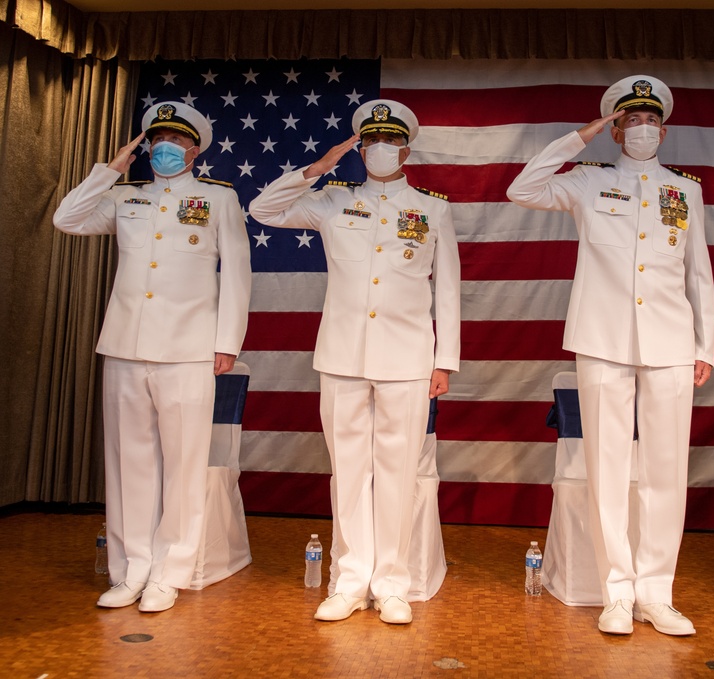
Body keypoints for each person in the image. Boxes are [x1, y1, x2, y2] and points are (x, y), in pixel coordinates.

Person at [507, 76, 714, 636]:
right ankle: (617, 592)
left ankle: (658, 592)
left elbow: (699, 271)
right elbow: (522, 189)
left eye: (651, 121)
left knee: (667, 472)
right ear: (616, 130)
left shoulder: (685, 191)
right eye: (631, 121)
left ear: (664, 131)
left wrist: (705, 344)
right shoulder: (586, 182)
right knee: (607, 469)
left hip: (671, 341)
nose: (643, 129)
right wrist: (580, 137)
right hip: (602, 340)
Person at [249, 99, 460, 625]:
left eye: (390, 142)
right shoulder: (331, 200)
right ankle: (349, 579)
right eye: (371, 142)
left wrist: (445, 360)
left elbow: (450, 290)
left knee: (397, 473)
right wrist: (316, 169)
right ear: (360, 149)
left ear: (407, 148)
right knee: (348, 472)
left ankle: (391, 582)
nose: (381, 150)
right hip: (343, 354)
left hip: (409, 358)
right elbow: (263, 210)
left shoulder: (432, 208)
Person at [53, 101, 251, 612]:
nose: (164, 148)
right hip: (124, 345)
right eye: (156, 139)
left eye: (175, 140)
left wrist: (227, 343)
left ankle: (170, 571)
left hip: (188, 351)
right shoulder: (126, 197)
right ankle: (130, 570)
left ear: (194, 150)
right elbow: (66, 219)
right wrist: (108, 171)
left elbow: (237, 275)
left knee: (184, 465)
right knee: (128, 463)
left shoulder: (217, 199)